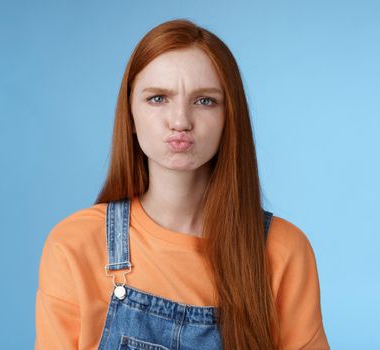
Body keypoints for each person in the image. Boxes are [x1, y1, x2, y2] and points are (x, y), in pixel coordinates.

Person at [35, 18, 330, 350]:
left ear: (229, 118)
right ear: (129, 114)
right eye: (158, 98)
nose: (180, 121)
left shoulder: (283, 251)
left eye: (204, 101)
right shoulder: (75, 245)